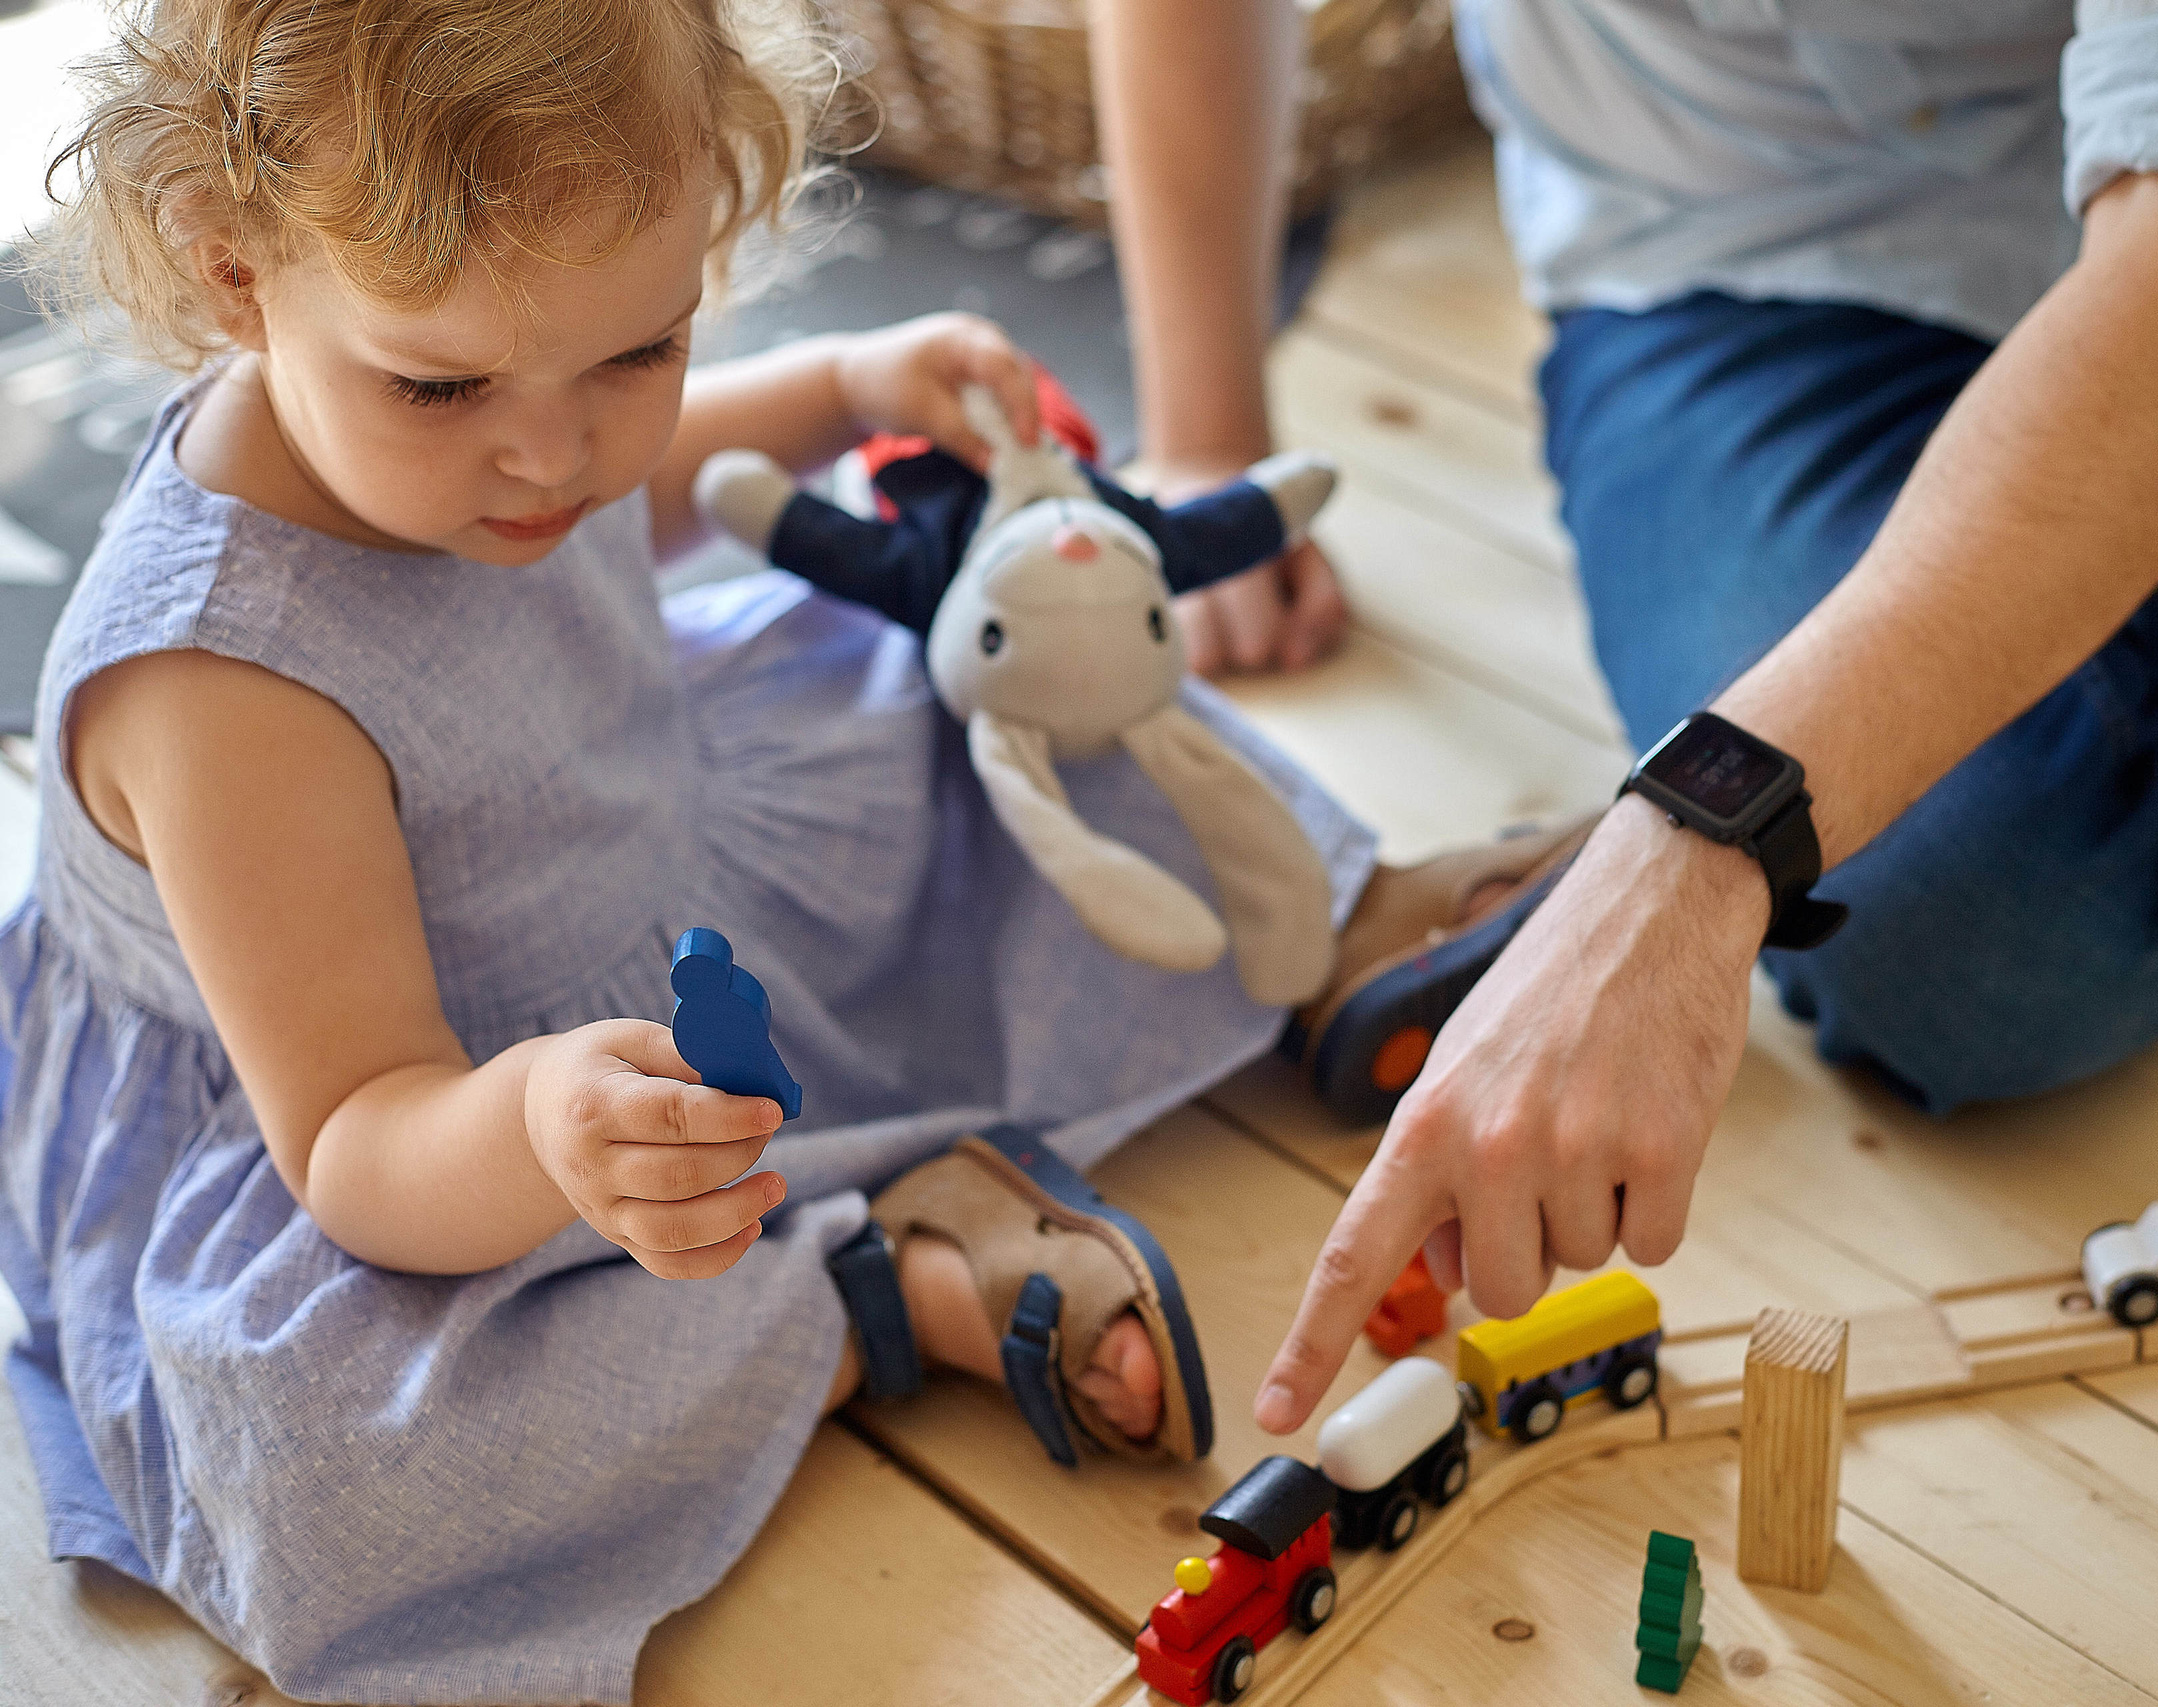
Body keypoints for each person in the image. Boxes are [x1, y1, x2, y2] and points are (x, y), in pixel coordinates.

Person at [0, 0, 1584, 1696]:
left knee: (997, 693)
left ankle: (1329, 919)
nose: (554, 455)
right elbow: (359, 1145)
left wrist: (845, 388)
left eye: (641, 348)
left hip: (673, 846)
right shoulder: (217, 682)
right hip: (432, 1112)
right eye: (440, 382)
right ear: (234, 271)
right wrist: (538, 1123)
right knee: (329, 1477)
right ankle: (876, 1288)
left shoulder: (525, 415)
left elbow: (639, 482)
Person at [1089, 0, 2158, 1437]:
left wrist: (1698, 839)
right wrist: (1211, 433)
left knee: (1962, 887)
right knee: (1969, 916)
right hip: (1740, 235)